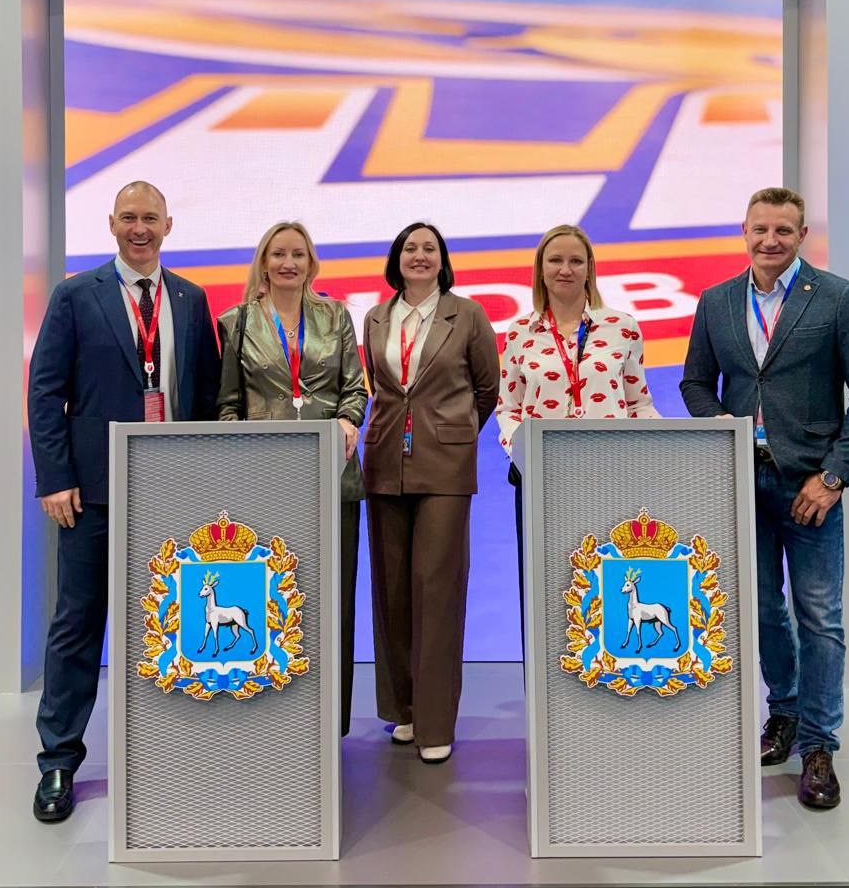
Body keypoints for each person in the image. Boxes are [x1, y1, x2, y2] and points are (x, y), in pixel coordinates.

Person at [680, 187, 849, 811]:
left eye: (783, 230)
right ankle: (786, 714)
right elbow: (695, 382)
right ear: (744, 233)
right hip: (743, 482)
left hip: (811, 488)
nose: (770, 240)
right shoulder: (717, 301)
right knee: (764, 611)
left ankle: (820, 745)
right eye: (760, 229)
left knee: (819, 616)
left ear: (801, 235)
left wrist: (833, 477)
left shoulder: (839, 297)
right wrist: (723, 430)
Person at [29, 181, 221, 823]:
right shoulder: (74, 295)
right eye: (129, 217)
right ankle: (58, 761)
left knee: (175, 625)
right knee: (78, 624)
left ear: (169, 225)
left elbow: (206, 395)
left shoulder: (191, 300)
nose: (140, 228)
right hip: (92, 492)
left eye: (150, 218)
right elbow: (45, 392)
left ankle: (177, 757)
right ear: (112, 223)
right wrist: (55, 478)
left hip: (175, 489)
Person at [216, 220, 367, 737]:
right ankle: (273, 720)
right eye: (278, 254)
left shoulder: (336, 317)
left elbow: (355, 389)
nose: (288, 263)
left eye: (298, 254)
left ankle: (332, 724)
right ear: (264, 262)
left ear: (311, 262)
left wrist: (348, 420)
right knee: (273, 598)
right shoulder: (235, 322)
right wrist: (243, 452)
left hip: (334, 477)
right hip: (265, 483)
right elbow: (228, 404)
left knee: (333, 599)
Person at [363, 222, 499, 763]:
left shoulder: (467, 315)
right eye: (410, 248)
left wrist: (452, 431)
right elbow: (378, 387)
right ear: (395, 259)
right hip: (383, 463)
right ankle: (405, 709)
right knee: (392, 590)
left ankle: (437, 722)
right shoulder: (377, 317)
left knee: (437, 592)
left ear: (443, 260)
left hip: (445, 467)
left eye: (429, 248)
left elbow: (487, 389)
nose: (419, 256)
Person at [497, 224, 659, 648]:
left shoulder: (622, 327)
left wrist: (662, 450)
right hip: (540, 477)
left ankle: (605, 675)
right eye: (555, 260)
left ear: (590, 268)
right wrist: (521, 452)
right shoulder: (518, 333)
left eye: (575, 261)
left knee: (605, 581)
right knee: (545, 583)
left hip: (611, 475)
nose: (565, 269)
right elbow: (508, 408)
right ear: (541, 269)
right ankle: (544, 679)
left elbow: (639, 403)